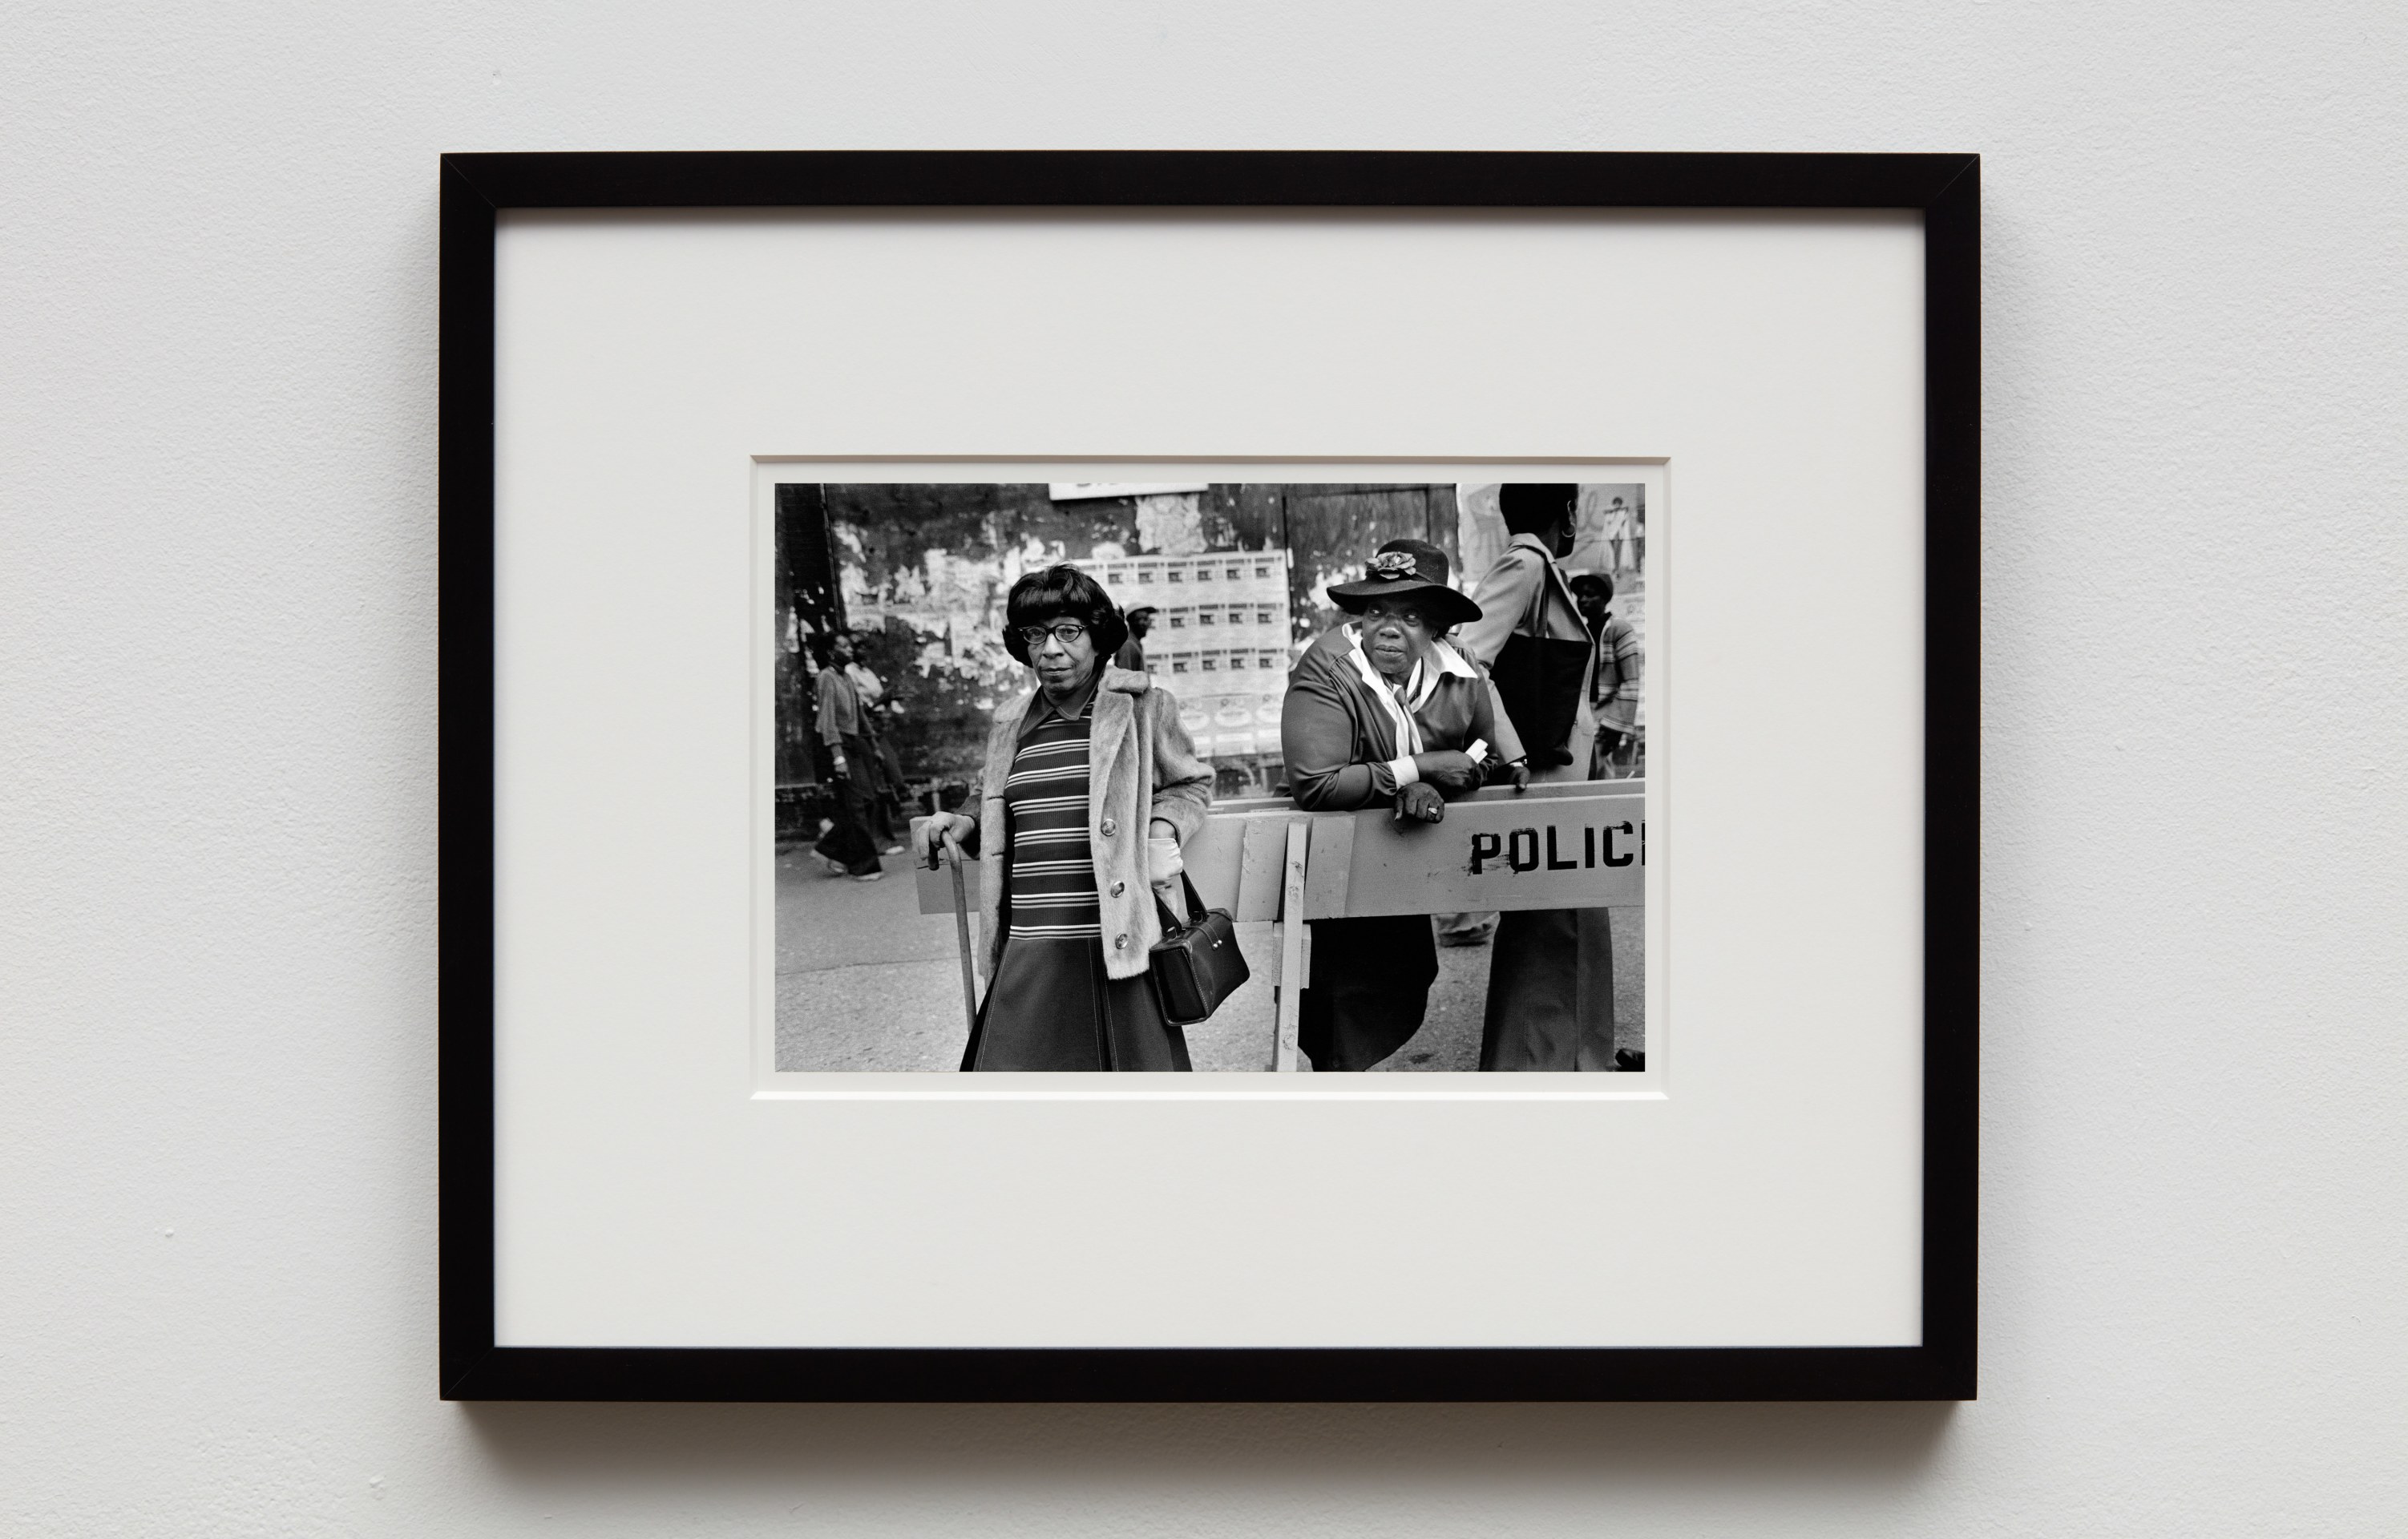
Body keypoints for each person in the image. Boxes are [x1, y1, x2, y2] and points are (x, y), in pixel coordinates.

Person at [915, 567, 1214, 1071]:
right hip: (1030, 944)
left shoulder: (1142, 708)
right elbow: (990, 798)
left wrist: (1162, 827)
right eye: (1036, 634)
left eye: (1069, 631)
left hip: (1113, 943)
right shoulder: (1011, 723)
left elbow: (1191, 783)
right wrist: (963, 821)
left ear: (1098, 636)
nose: (1051, 649)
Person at [1280, 546, 1516, 1071]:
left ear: (1436, 627)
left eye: (1409, 616)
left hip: (1401, 863)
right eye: (1377, 612)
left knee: (1399, 980)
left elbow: (1485, 750)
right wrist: (1418, 769)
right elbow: (1316, 783)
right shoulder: (1328, 666)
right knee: (1337, 1001)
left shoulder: (1459, 668)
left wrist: (1444, 782)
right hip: (1334, 864)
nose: (1389, 628)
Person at [1457, 483, 1618, 1070]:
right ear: (1569, 512)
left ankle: (1564, 1056)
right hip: (1546, 779)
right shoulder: (1525, 565)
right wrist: (1512, 748)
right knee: (1551, 922)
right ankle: (1544, 1062)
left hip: (1563, 779)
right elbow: (1468, 657)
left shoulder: (1538, 568)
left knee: (1566, 920)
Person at [812, 631, 885, 881]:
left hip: (855, 744)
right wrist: (838, 757)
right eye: (844, 646)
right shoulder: (826, 677)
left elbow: (860, 715)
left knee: (867, 800)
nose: (850, 649)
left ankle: (830, 847)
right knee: (856, 806)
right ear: (832, 652)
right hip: (839, 747)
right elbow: (827, 720)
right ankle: (863, 866)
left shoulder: (846, 677)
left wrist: (874, 745)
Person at [1568, 570, 1642, 778]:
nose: (1583, 600)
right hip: (1582, 711)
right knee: (1592, 770)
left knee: (1594, 769)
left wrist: (1616, 723)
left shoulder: (1619, 629)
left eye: (1590, 595)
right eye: (1580, 595)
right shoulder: (1580, 632)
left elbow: (1631, 681)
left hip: (1607, 711)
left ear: (1605, 598)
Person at [1116, 605, 1158, 672]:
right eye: (1144, 619)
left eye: (1148, 619)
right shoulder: (1128, 645)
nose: (1148, 623)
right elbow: (1125, 679)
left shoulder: (1134, 644)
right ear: (1133, 621)